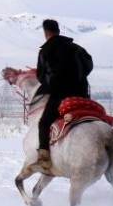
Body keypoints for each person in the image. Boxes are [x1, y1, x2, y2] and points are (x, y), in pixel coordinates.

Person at [30, 19, 91, 172]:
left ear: (46, 33)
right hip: (83, 95)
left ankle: (44, 160)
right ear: (58, 30)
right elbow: (89, 66)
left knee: (43, 123)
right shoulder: (77, 48)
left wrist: (53, 82)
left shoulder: (45, 51)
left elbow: (40, 76)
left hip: (61, 96)